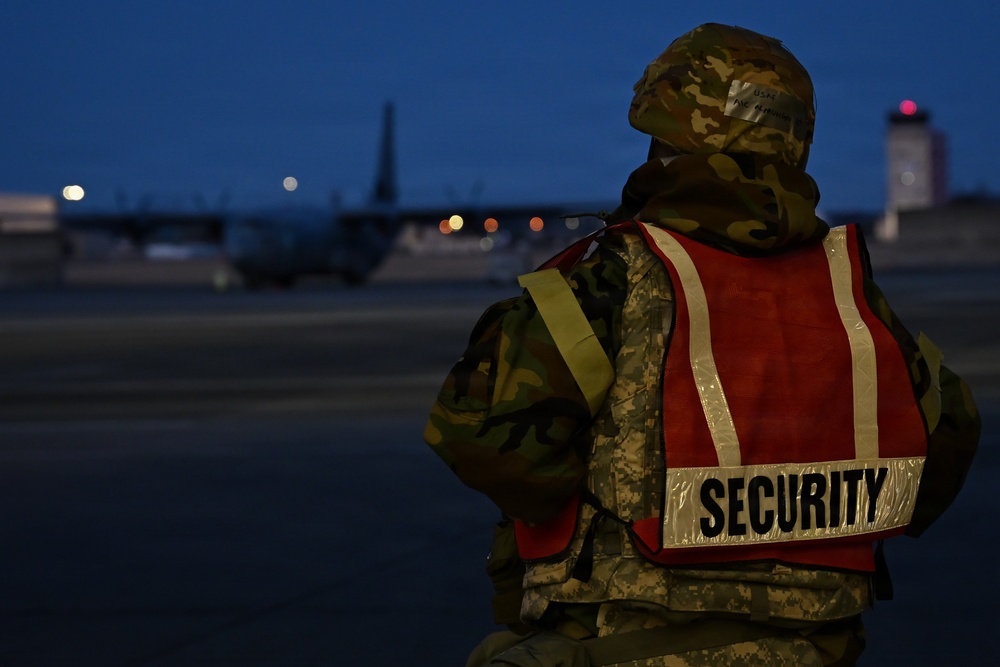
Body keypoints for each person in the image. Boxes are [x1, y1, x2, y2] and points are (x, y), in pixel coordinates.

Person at [424, 23, 980, 667]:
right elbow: (941, 450)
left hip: (625, 644)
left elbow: (476, 431)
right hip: (814, 650)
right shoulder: (848, 290)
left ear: (673, 139)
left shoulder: (611, 278)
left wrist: (621, 501)